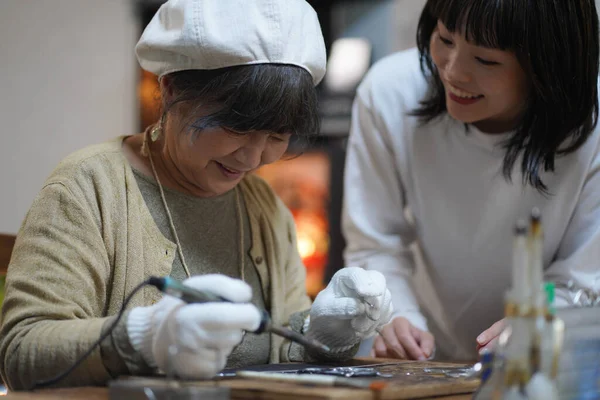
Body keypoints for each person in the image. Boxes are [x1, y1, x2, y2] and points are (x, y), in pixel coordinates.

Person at [0, 0, 393, 391]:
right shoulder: (87, 188)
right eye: (237, 127)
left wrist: (323, 335)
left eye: (277, 135)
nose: (254, 158)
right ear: (170, 89)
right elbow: (21, 351)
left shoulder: (262, 207)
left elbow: (282, 357)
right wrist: (144, 337)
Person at [343, 0, 600, 362]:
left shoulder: (592, 127)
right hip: (426, 359)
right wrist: (398, 314)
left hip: (552, 361)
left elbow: (583, 277)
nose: (453, 71)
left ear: (547, 64)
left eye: (487, 60)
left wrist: (534, 317)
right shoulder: (389, 93)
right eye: (445, 39)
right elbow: (374, 242)